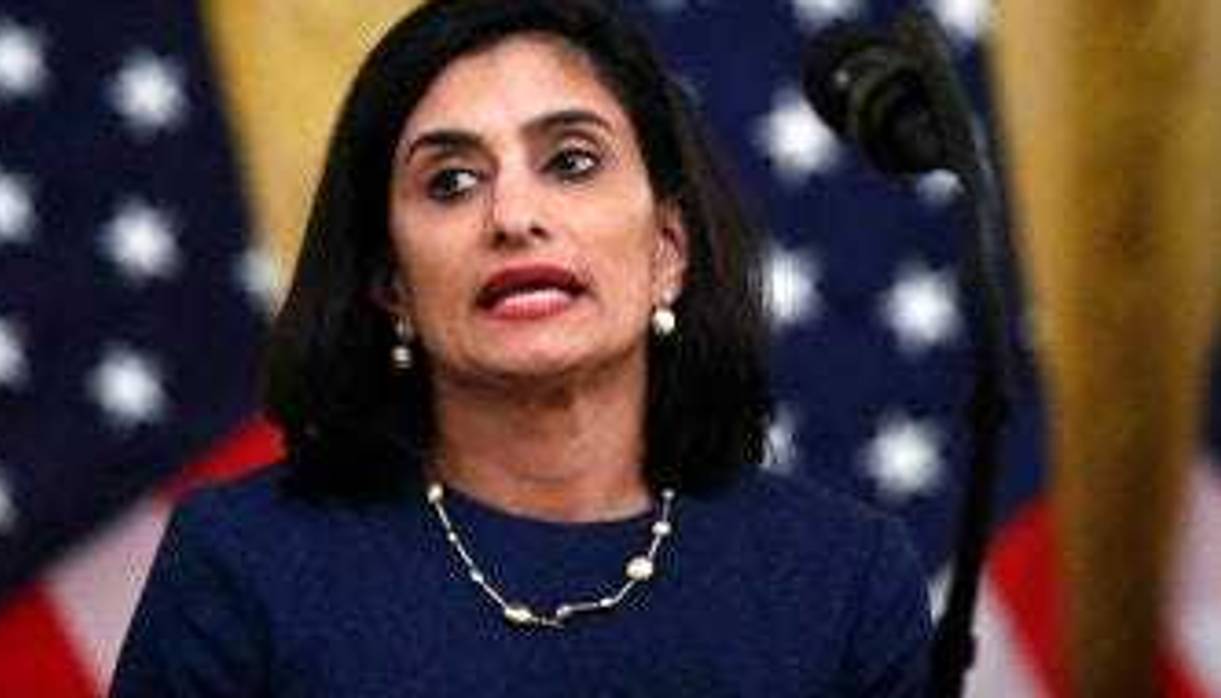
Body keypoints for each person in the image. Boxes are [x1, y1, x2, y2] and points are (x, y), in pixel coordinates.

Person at [110, 0, 931, 695]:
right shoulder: (243, 565)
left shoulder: (841, 577)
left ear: (667, 253)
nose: (511, 216)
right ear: (390, 283)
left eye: (571, 162)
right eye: (451, 182)